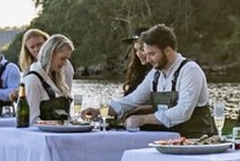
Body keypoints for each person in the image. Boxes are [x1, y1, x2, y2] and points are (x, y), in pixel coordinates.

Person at [84, 24, 214, 137]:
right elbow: (132, 100)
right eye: (146, 54)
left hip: (195, 140)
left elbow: (183, 112)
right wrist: (100, 110)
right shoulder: (155, 74)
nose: (148, 59)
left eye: (152, 54)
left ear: (168, 50)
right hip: (167, 139)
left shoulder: (190, 71)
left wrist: (143, 119)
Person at [22, 34, 75, 124]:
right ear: (51, 54)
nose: (65, 64)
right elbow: (32, 120)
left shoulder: (59, 79)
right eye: (62, 59)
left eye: (66, 59)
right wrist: (56, 124)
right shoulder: (32, 80)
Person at [16, 28, 75, 97]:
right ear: (28, 50)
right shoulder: (30, 70)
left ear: (48, 43)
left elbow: (66, 94)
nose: (36, 49)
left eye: (39, 44)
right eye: (32, 47)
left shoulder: (64, 66)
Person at [121, 27, 151, 96]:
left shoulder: (159, 73)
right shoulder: (137, 72)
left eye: (142, 49)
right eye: (136, 50)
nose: (139, 54)